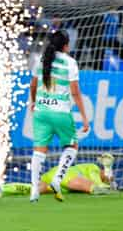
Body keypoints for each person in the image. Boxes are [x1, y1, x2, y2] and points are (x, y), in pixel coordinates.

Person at [29, 30, 89, 202]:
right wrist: (84, 118)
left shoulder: (41, 60)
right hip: (61, 112)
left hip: (41, 112)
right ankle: (57, 180)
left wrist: (33, 102)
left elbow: (32, 85)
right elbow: (75, 92)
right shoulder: (70, 62)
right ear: (65, 45)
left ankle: (34, 189)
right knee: (72, 146)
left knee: (39, 150)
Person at [0, 153, 122, 198]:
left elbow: (103, 183)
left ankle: (2, 188)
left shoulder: (101, 178)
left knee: (33, 189)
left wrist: (111, 184)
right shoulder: (94, 169)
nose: (109, 175)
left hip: (55, 180)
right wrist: (112, 187)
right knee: (90, 187)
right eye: (108, 172)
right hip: (65, 175)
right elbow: (97, 184)